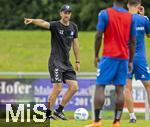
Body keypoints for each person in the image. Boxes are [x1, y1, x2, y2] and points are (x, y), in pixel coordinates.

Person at [85, 0, 136, 127]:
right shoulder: (130, 17)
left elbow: (98, 35)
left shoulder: (105, 13)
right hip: (124, 57)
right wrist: (130, 60)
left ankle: (97, 121)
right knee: (120, 88)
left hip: (109, 56)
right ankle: (116, 122)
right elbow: (133, 41)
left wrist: (96, 55)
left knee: (100, 86)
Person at [24, 4, 80, 120]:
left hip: (66, 63)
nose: (67, 15)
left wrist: (77, 61)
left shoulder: (73, 27)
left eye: (68, 13)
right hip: (55, 61)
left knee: (74, 87)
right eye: (65, 12)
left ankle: (59, 111)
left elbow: (76, 44)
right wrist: (33, 20)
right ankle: (47, 114)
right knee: (58, 88)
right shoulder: (55, 25)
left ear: (70, 14)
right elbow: (43, 22)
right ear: (61, 13)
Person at [124, 0, 150, 123]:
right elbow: (148, 35)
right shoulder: (144, 19)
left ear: (127, 5)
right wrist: (142, 15)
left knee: (127, 88)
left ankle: (132, 117)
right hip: (139, 58)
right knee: (148, 86)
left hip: (125, 58)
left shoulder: (122, 19)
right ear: (139, 6)